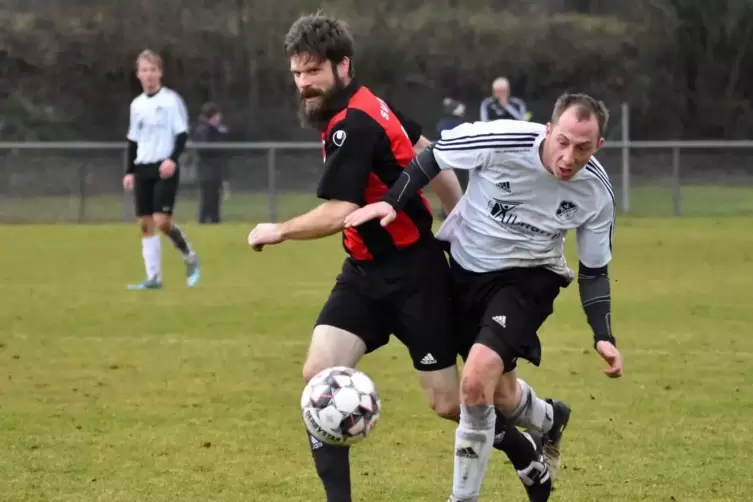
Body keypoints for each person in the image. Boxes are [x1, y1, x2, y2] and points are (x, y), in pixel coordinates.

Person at [247, 13, 568, 502]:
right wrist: (457, 212)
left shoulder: (353, 123)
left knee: (446, 402)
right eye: (297, 74)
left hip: (415, 278)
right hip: (362, 275)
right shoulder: (370, 102)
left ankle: (523, 450)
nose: (303, 84)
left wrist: (280, 230)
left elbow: (341, 210)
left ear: (342, 66)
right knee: (318, 378)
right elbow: (429, 151)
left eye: (312, 72)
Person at [344, 92, 625, 501]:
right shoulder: (500, 139)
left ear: (598, 146)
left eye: (582, 148)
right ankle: (549, 418)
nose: (568, 156)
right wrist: (392, 202)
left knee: (474, 382)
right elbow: (434, 157)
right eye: (562, 142)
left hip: (528, 280)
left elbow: (595, 270)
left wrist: (603, 333)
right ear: (548, 131)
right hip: (463, 269)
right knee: (499, 393)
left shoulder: (595, 191)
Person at [123, 49, 200, 290]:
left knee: (162, 221)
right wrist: (129, 171)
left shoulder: (170, 100)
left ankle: (189, 255)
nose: (149, 75)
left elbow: (182, 133)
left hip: (164, 166)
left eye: (153, 70)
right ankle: (153, 278)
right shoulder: (136, 105)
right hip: (142, 167)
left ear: (160, 73)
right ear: (138, 74)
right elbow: (133, 140)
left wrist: (173, 159)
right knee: (145, 223)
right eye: (144, 70)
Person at [193, 101, 230, 224]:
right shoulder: (203, 130)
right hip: (207, 170)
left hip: (215, 169)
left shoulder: (216, 130)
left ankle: (215, 220)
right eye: (217, 115)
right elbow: (204, 149)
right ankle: (203, 221)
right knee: (207, 197)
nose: (219, 118)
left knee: (215, 197)